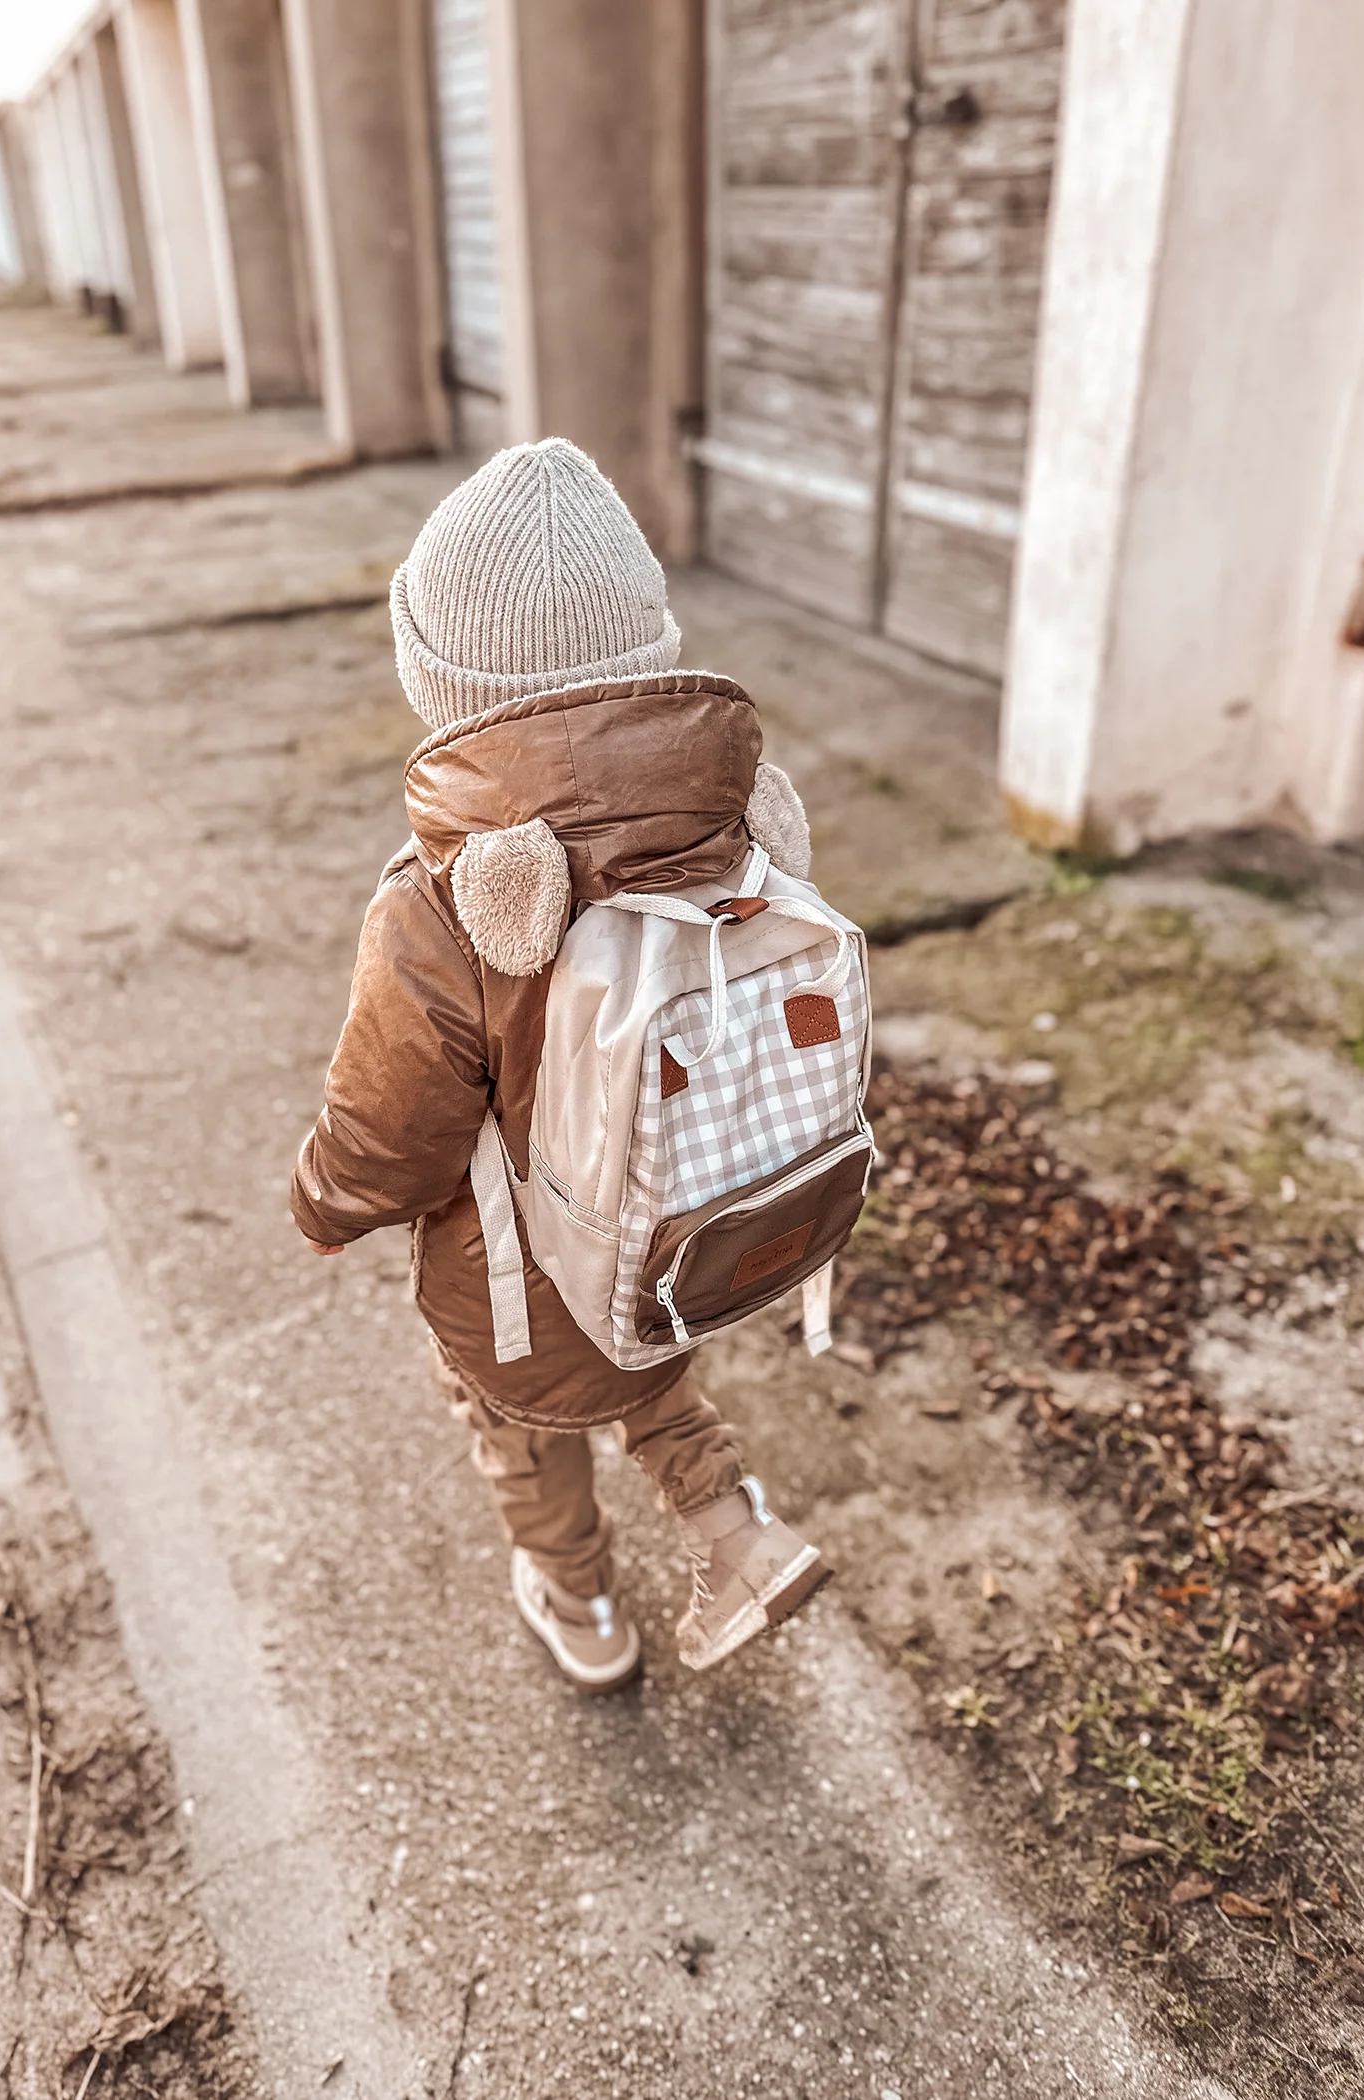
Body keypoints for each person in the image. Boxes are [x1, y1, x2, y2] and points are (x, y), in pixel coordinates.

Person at [291, 438, 831, 1692]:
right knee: (648, 1371)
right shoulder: (738, 824)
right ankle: (736, 1532)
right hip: (688, 1216)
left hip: (521, 1272)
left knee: (531, 1425)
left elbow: (394, 1122)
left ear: (444, 688)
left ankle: (580, 1603)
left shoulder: (439, 904)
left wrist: (327, 1204)